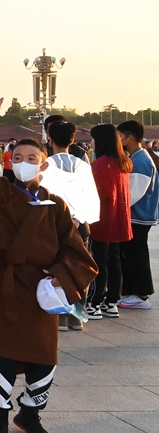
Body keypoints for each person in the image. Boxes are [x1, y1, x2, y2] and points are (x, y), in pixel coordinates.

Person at [0, 87, 97, 433]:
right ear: (11, 162)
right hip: (5, 286)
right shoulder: (4, 193)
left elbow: (75, 249)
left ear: (43, 164)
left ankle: (30, 412)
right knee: (5, 355)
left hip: (41, 293)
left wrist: (58, 276)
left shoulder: (55, 205)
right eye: (18, 157)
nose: (24, 161)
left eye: (32, 157)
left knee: (45, 357)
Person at [41, 119, 101, 330]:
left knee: (55, 268)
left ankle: (60, 314)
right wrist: (78, 218)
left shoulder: (46, 166)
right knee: (78, 265)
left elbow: (44, 199)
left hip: (54, 225)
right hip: (80, 224)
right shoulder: (83, 166)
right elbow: (92, 197)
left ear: (50, 139)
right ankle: (77, 312)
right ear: (73, 139)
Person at [87, 124, 133, 319]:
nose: (91, 142)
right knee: (114, 260)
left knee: (99, 260)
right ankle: (111, 302)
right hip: (119, 218)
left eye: (93, 138)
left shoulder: (101, 164)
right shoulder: (123, 162)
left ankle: (95, 302)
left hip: (103, 219)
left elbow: (95, 193)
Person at [117, 120, 157, 310]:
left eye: (119, 137)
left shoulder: (141, 160)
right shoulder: (137, 157)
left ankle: (142, 294)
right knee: (131, 254)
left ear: (129, 138)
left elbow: (133, 193)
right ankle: (132, 292)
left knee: (137, 254)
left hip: (139, 215)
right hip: (136, 215)